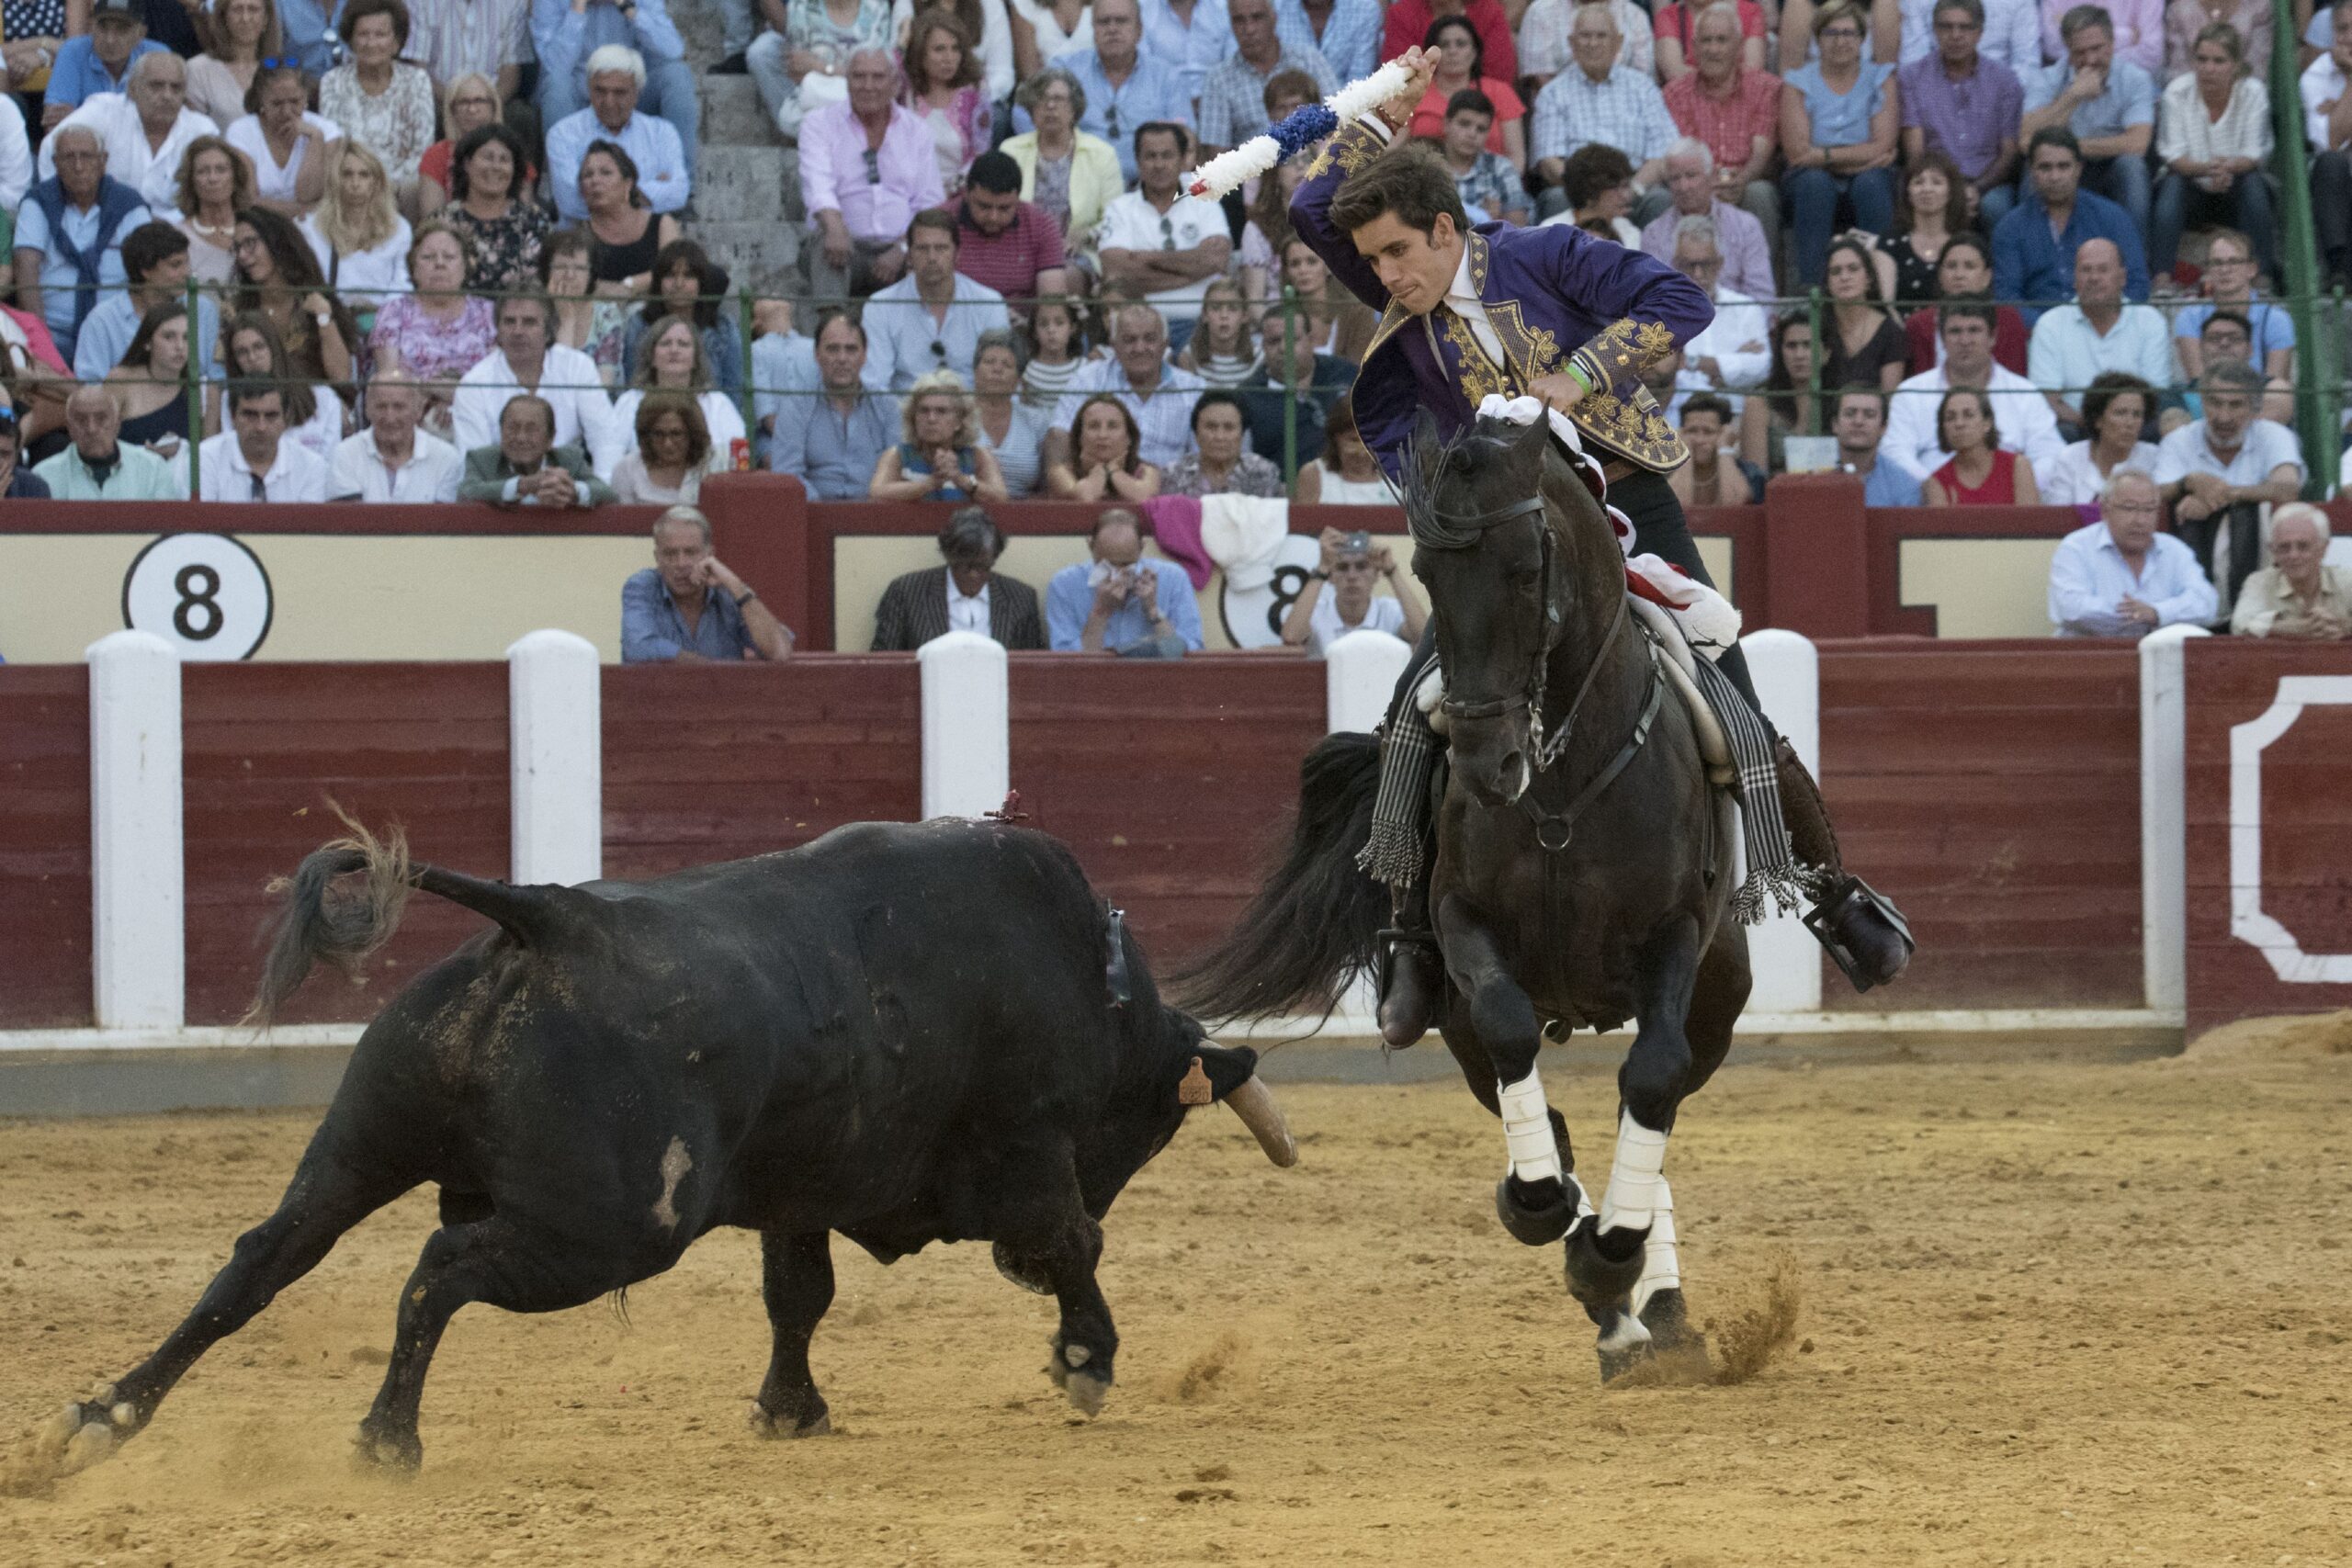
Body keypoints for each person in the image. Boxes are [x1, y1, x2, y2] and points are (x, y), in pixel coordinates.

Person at [1292, 46, 1911, 1034]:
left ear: (1446, 230)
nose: (1386, 277)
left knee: (1724, 684)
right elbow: (1308, 207)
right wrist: (1377, 119)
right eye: (1371, 262)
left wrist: (1577, 377)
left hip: (1626, 502)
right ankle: (1409, 941)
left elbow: (1681, 301)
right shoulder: (1401, 304)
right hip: (1501, 539)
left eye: (1400, 254)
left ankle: (1829, 892)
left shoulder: (1541, 255)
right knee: (1414, 711)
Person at [2152, 360, 2303, 612]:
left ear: (2255, 407)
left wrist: (2218, 495)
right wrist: (2187, 483)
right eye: (2215, 403)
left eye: (2235, 405)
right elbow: (2155, 493)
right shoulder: (2180, 440)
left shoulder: (2273, 434)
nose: (2223, 416)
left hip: (2257, 554)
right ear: (2201, 401)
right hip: (2193, 545)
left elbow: (2288, 488)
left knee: (2250, 512)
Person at [799, 47, 945, 300]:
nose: (867, 86)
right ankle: (832, 326)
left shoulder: (917, 131)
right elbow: (817, 183)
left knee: (934, 248)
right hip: (843, 247)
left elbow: (929, 202)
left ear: (895, 84)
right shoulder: (819, 123)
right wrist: (834, 227)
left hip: (900, 250)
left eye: (877, 77)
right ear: (846, 81)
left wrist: (903, 248)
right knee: (825, 236)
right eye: (858, 76)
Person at [1779, 0, 1900, 284]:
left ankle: (1879, 289)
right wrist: (1862, 156)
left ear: (1862, 38)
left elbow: (1884, 146)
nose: (1840, 41)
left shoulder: (1880, 78)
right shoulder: (1798, 82)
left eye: (1849, 33)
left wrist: (1822, 156)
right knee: (1815, 184)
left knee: (1871, 184)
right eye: (1831, 34)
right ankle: (1814, 294)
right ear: (1817, 39)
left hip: (1868, 178)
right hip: (1809, 181)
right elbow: (1797, 154)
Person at [12, 125, 152, 368]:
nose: (78, 166)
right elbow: (26, 266)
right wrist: (42, 341)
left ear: (103, 161)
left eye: (86, 156)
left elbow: (150, 268)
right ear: (55, 163)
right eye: (68, 157)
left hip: (117, 329)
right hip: (54, 330)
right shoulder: (38, 202)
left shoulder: (129, 205)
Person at [1882, 302, 2063, 484]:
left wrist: (2012, 488)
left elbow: (2049, 455)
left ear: (1992, 337)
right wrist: (1934, 487)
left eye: (1974, 330)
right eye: (1955, 331)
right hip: (1932, 503)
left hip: (2009, 502)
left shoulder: (2025, 393)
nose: (1965, 341)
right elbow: (1895, 453)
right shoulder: (1910, 393)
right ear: (1942, 340)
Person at [451, 292, 627, 474]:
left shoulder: (577, 367)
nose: (518, 331)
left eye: (529, 322)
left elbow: (606, 440)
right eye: (509, 322)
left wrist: (599, 493)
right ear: (498, 330)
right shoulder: (473, 384)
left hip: (569, 488)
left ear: (549, 330)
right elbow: (475, 465)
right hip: (500, 492)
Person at [2019, 6, 2157, 237]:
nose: (2090, 60)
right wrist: (2073, 96)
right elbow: (2026, 143)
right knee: (2037, 170)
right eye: (2080, 52)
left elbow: (2138, 144)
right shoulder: (2047, 78)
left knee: (2132, 168)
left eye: (2097, 48)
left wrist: (2072, 147)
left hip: (2111, 167)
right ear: (2068, 52)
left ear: (2112, 43)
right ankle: (2037, 259)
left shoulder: (2135, 79)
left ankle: (2135, 263)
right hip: (2064, 167)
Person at [2154, 23, 2275, 285]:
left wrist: (2227, 168)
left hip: (2237, 183)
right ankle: (2161, 277)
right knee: (2172, 186)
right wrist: (2210, 169)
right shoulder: (2177, 92)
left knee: (2254, 185)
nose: (2209, 68)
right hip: (2191, 186)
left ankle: (2263, 276)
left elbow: (2253, 154)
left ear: (2235, 64)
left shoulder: (2253, 92)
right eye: (2202, 59)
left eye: (2219, 61)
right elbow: (2174, 156)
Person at [532, 0, 700, 185]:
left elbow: (672, 49)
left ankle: (681, 190)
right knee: (556, 86)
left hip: (630, 94)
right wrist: (577, 9)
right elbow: (555, 67)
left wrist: (628, 7)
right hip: (580, 96)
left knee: (677, 75)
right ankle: (566, 192)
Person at [1992, 130, 2148, 327]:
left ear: (2078, 168)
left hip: (2106, 330)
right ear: (2032, 171)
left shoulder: (2112, 217)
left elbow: (2137, 286)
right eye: (2045, 168)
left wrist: (2099, 324)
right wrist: (2053, 331)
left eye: (2063, 166)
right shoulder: (2010, 228)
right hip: (2039, 335)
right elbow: (2007, 299)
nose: (2055, 176)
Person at [1529, 6, 1676, 213]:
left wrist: (1629, 191)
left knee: (1660, 201)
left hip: (1633, 188)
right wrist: (1588, 194)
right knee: (1556, 200)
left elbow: (1662, 154)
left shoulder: (1644, 88)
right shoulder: (1552, 93)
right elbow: (1549, 162)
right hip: (1577, 194)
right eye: (1585, 36)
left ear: (1618, 43)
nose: (1593, 43)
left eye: (1601, 36)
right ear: (1572, 43)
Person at [1095, 125, 1230, 349]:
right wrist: (1194, 269)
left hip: (1201, 327)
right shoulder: (1119, 209)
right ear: (1138, 161)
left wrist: (1147, 258)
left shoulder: (1205, 198)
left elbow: (1216, 260)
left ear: (1182, 159)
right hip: (1139, 331)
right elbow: (1116, 273)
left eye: (1167, 156)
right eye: (1151, 156)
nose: (1159, 164)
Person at [1031, 0, 1192, 186]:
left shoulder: (1166, 78)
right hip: (1078, 183)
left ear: (1139, 30)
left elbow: (1185, 135)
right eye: (1104, 22)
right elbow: (1023, 110)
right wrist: (1052, 149)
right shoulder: (1066, 70)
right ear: (1093, 28)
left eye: (1121, 21)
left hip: (1147, 187)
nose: (1112, 29)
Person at [1661, 1, 1783, 243]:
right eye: (1706, 41)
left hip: (1748, 179)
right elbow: (1683, 153)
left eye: (1721, 40)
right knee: (1669, 196)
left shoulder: (1765, 87)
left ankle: (1761, 279)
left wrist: (1741, 180)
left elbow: (1761, 150)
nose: (1713, 49)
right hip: (1696, 184)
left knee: (1761, 193)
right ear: (1694, 48)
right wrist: (1706, 187)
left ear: (1739, 47)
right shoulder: (1675, 93)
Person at [38, 51, 215, 215]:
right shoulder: (103, 111)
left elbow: (209, 196)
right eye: (156, 86)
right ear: (132, 88)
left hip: (174, 234)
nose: (167, 95)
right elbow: (51, 147)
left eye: (176, 88)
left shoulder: (201, 131)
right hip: (104, 226)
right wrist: (75, 210)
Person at [2024, 240, 2176, 431]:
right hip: (2077, 430)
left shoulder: (2150, 322)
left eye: (2103, 270)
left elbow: (2155, 395)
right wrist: (2097, 430)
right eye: (2086, 270)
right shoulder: (2050, 324)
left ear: (2122, 277)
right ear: (2074, 279)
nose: (2094, 278)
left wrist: (2117, 430)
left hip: (2136, 430)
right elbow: (2048, 399)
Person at [1898, 0, 2020, 232]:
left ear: (1980, 32)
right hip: (1933, 180)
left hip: (1989, 183)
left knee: (1995, 206)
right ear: (1934, 30)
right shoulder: (1912, 78)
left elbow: (2008, 152)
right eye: (1946, 27)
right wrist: (1948, 190)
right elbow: (1916, 153)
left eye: (1965, 27)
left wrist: (1977, 189)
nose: (1955, 35)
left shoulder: (2004, 80)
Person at [2047, 468, 2216, 636]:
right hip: (2089, 656)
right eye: (2129, 508)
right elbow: (2072, 608)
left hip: (2160, 657)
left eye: (2149, 510)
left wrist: (2157, 613)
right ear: (2105, 511)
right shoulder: (2076, 547)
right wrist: (2136, 614)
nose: (2140, 520)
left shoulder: (2174, 550)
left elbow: (2207, 603)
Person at [368, 221, 498, 434]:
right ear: (413, 267)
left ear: (466, 265)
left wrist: (454, 401)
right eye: (428, 257)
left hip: (478, 414)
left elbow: (497, 381)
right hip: (411, 418)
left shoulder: (488, 312)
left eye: (449, 257)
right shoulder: (394, 312)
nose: (439, 264)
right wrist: (440, 395)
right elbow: (390, 382)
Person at [621, 505, 794, 662]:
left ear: (709, 554)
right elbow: (638, 647)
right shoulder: (642, 586)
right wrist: (709, 670)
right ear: (657, 557)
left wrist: (736, 587)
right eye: (670, 554)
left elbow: (779, 652)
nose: (681, 563)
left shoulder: (726, 592)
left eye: (691, 552)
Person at [864, 210, 1012, 391]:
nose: (932, 258)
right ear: (909, 256)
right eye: (923, 249)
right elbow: (875, 385)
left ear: (957, 254)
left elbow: (998, 381)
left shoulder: (989, 303)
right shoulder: (880, 306)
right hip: (904, 413)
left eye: (941, 248)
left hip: (971, 412)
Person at [1046, 303, 1204, 470]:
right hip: (1100, 487)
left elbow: (1202, 455)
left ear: (1165, 343)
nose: (1140, 348)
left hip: (1170, 490)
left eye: (1150, 339)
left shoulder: (1193, 389)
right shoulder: (1088, 379)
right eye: (1129, 340)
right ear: (1113, 344)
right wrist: (1069, 489)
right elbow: (1059, 436)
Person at [871, 504, 1048, 649]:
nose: (973, 575)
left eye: (982, 567)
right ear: (949, 557)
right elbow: (884, 666)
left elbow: (1032, 670)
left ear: (994, 558)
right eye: (965, 566)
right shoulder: (906, 593)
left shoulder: (1021, 598)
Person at [547, 46, 690, 223]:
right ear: (589, 89)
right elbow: (571, 202)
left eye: (619, 92)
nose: (609, 101)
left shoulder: (661, 133)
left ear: (637, 93)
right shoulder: (563, 134)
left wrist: (599, 193)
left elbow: (679, 193)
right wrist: (644, 191)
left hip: (645, 239)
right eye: (600, 91)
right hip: (585, 238)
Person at [769, 309, 900, 497]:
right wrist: (824, 516)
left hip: (875, 516)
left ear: (864, 356)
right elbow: (787, 475)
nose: (842, 359)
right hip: (813, 517)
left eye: (851, 349)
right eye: (832, 349)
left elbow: (897, 471)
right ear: (816, 354)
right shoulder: (795, 406)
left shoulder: (887, 406)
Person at [71, 220, 220, 384]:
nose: (187, 272)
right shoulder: (102, 321)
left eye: (187, 262)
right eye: (176, 265)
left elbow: (209, 376)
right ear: (146, 270)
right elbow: (90, 386)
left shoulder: (203, 309)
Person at [1000, 67, 1125, 260]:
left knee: (1063, 275)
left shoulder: (1102, 154)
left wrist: (1085, 235)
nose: (1050, 106)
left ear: (1074, 108)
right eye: (1041, 99)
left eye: (1058, 99)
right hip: (1018, 249)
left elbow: (1115, 218)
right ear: (1031, 109)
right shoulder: (1010, 151)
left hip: (1079, 250)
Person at [229, 206, 360, 388]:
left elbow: (341, 377)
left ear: (276, 241)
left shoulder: (315, 300)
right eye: (237, 247)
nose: (242, 255)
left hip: (318, 408)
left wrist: (323, 318)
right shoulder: (237, 310)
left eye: (250, 243)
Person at [319, 0, 436, 199]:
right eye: (363, 34)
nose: (371, 43)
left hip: (403, 194)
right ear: (351, 40)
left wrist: (387, 189)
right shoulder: (333, 82)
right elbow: (335, 151)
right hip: (350, 188)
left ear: (396, 42)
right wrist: (362, 185)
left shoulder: (417, 81)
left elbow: (422, 152)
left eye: (380, 34)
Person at [1044, 506, 1203, 652]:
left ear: (1142, 547)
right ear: (1090, 545)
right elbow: (1067, 664)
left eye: (1126, 564)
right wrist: (1100, 613)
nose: (1117, 574)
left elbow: (1189, 652)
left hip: (1155, 678)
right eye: (1106, 565)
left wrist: (1154, 612)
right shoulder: (1064, 585)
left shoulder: (1173, 577)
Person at [610, 314, 750, 476]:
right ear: (652, 357)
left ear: (695, 358)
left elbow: (737, 460)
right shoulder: (630, 401)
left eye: (683, 344)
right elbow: (612, 457)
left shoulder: (718, 403)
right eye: (665, 343)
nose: (674, 350)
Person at [1640, 139, 1773, 303]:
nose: (1684, 186)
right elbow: (1653, 298)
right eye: (1675, 178)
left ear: (1711, 177)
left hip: (1737, 321)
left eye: (1691, 175)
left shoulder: (1746, 226)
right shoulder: (1654, 234)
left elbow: (1761, 295)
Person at [1199, 0, 1334, 159]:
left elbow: (1338, 122)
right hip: (1253, 175)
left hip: (1315, 167)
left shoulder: (1310, 61)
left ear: (1274, 19)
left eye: (1257, 17)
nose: (1249, 29)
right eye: (1239, 20)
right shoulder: (1218, 80)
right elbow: (1217, 158)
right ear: (1231, 25)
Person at [616, 239, 746, 400]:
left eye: (688, 276)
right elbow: (634, 386)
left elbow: (735, 394)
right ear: (658, 282)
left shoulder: (723, 328)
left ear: (701, 283)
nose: (679, 284)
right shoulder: (640, 325)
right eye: (671, 275)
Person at [747, 0, 895, 141]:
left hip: (857, 94)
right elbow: (798, 70)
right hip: (817, 95)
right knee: (792, 116)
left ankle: (829, 135)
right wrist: (842, 71)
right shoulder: (802, 6)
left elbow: (874, 73)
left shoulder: (876, 7)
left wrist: (821, 67)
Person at [1667, 216, 1770, 414]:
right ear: (1674, 266)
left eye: (1706, 264)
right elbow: (1658, 371)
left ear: (1720, 263)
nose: (1698, 274)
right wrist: (1731, 364)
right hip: (1678, 421)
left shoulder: (1746, 308)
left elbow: (1762, 365)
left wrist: (1692, 362)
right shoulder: (1660, 313)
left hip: (1735, 418)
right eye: (1689, 265)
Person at [210, 310, 343, 462]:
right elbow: (236, 457)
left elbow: (329, 464)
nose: (252, 358)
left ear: (273, 347)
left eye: (259, 347)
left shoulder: (324, 398)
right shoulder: (229, 399)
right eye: (242, 352)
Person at [299, 140, 413, 311]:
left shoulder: (399, 228)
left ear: (376, 181)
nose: (355, 183)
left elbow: (403, 286)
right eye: (347, 174)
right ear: (336, 180)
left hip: (384, 319)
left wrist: (383, 318)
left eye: (364, 175)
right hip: (332, 318)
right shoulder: (310, 228)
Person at [951, 150, 1072, 310]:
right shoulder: (941, 224)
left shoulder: (1042, 226)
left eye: (1004, 208)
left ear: (1018, 199)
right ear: (966, 194)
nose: (993, 217)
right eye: (984, 206)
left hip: (1020, 326)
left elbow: (1051, 302)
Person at [438, 121, 550, 294]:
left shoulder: (535, 221)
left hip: (519, 317)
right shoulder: (443, 222)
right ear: (467, 164)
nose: (496, 167)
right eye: (487, 157)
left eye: (504, 160)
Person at [1280, 525, 1427, 655]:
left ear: (1376, 574)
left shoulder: (1389, 610)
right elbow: (1291, 637)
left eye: (1361, 567)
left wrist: (1391, 571)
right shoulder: (1317, 611)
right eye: (1342, 568)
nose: (1352, 576)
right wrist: (1322, 568)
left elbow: (1424, 637)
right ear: (1330, 577)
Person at [2171, 230, 2293, 385]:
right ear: (2207, 271)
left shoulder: (2276, 320)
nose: (2224, 270)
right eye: (2217, 263)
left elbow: (2275, 388)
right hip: (2209, 404)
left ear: (2252, 269)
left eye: (2234, 262)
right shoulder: (2190, 318)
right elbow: (2198, 384)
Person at [868, 368, 1010, 501]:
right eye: (924, 411)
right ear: (913, 417)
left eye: (941, 411)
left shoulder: (978, 456)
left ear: (959, 421)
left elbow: (1000, 497)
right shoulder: (898, 455)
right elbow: (877, 493)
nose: (931, 419)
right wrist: (929, 484)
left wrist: (959, 478)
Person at [459, 390, 618, 507]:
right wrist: (523, 485)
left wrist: (572, 491)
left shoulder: (570, 459)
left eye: (531, 429)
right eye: (512, 428)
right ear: (501, 432)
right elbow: (465, 493)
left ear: (551, 438)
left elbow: (608, 495)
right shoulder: (481, 459)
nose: (521, 437)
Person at [1901, 232, 2028, 374]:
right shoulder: (1918, 324)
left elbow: (2014, 384)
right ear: (1940, 276)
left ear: (1987, 277)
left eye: (1969, 266)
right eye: (1951, 266)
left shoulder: (2009, 320)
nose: (1959, 275)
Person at [1405, 15, 1521, 169]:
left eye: (1461, 44)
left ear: (1474, 52)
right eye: (1444, 45)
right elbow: (1392, 150)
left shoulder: (1501, 92)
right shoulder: (1413, 92)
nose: (1452, 51)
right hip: (1425, 182)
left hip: (1491, 185)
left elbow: (1516, 157)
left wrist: (1504, 189)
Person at [224, 62, 338, 218]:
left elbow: (308, 194)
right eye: (277, 103)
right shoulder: (241, 131)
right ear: (261, 100)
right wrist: (307, 210)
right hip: (259, 222)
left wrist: (316, 139)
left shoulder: (326, 130)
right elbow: (248, 200)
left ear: (305, 96)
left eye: (294, 102)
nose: (286, 112)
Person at [329, 369, 462, 501]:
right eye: (381, 407)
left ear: (418, 410)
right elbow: (350, 519)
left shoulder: (446, 458)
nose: (390, 417)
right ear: (367, 410)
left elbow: (443, 521)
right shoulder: (345, 454)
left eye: (399, 407)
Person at [899, 8, 992, 194]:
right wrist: (901, 44)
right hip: (911, 192)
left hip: (959, 194)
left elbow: (981, 153)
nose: (949, 58)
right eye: (939, 49)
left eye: (955, 49)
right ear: (920, 53)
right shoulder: (905, 90)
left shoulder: (976, 91)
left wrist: (951, 191)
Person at [105, 300, 200, 480]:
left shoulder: (202, 390)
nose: (180, 346)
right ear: (147, 342)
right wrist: (143, 455)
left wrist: (182, 449)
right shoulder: (120, 380)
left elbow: (207, 456)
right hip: (125, 482)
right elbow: (100, 442)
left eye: (187, 338)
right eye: (169, 337)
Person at [33, 383, 181, 498]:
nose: (91, 428)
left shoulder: (153, 469)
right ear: (69, 428)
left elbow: (168, 531)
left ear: (117, 424)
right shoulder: (44, 477)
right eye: (80, 419)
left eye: (101, 418)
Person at [2037, 371, 2161, 505]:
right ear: (2098, 419)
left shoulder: (2155, 458)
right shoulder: (2069, 458)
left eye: (2137, 414)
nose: (2130, 423)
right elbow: (2060, 516)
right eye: (2120, 413)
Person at [40, 0, 166, 131]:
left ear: (141, 33)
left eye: (122, 29)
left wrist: (80, 118)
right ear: (91, 26)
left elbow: (163, 124)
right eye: (103, 27)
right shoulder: (73, 51)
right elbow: (55, 125)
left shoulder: (158, 57)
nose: (110, 40)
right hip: (86, 150)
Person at [198, 378, 332, 501]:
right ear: (233, 417)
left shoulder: (311, 466)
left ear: (286, 419)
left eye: (271, 416)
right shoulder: (207, 457)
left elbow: (307, 526)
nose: (261, 427)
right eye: (250, 415)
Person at [2232, 505, 2352, 639]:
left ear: (2323, 549)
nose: (2293, 555)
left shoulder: (2347, 581)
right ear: (2273, 551)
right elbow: (2239, 625)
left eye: (2303, 546)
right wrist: (2290, 628)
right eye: (2284, 547)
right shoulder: (2259, 582)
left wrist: (2344, 625)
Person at [417, 76, 528, 221]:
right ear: (452, 110)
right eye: (463, 102)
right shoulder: (437, 154)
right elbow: (431, 219)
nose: (472, 109)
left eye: (480, 101)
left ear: (494, 106)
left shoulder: (512, 151)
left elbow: (525, 213)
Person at [577, 141, 681, 295]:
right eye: (588, 175)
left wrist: (629, 285)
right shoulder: (579, 232)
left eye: (606, 173)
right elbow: (580, 280)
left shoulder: (662, 224)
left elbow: (674, 271)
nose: (595, 180)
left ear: (628, 184)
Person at [1816, 235, 1906, 396]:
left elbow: (1889, 401)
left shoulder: (1891, 333)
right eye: (1836, 271)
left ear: (1869, 278)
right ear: (1827, 283)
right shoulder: (1817, 328)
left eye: (1853, 269)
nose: (1844, 277)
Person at [1920, 386, 2037, 504]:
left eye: (1969, 415)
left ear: (1987, 423)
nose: (1959, 424)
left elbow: (2030, 521)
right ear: (1943, 428)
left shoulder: (2018, 466)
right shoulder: (1937, 482)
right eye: (1950, 418)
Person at [2306, 1, 2352, 291]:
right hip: (2340, 178)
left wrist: (2339, 109)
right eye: (2343, 29)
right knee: (2330, 165)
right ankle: (2340, 268)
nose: (2349, 37)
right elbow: (2331, 143)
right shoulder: (2316, 75)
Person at [1872, 150, 1958, 307]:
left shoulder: (1963, 243)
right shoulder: (1890, 241)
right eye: (1918, 182)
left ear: (1950, 193)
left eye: (1936, 182)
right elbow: (1886, 304)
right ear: (1908, 194)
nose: (1927, 189)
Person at [1161, 390, 1284, 497]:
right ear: (1196, 433)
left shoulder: (1263, 473)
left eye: (1229, 427)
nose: (1220, 437)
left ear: (1242, 434)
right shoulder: (1174, 475)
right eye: (1211, 427)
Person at [971, 330, 1050, 495]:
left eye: (1007, 365)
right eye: (989, 362)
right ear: (975, 372)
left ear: (1019, 380)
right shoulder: (956, 416)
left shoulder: (1036, 421)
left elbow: (1047, 485)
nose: (997, 369)